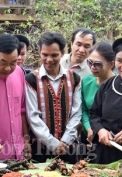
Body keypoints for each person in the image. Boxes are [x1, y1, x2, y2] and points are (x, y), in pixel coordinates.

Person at [25, 31, 82, 163]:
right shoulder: (31, 79)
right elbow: (33, 116)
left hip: (69, 147)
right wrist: (52, 143)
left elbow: (76, 112)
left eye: (54, 55)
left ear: (63, 53)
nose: (49, 59)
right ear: (39, 52)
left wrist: (65, 140)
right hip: (40, 148)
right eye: (45, 54)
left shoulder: (74, 78)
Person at [81, 42, 115, 159]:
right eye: (89, 62)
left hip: (110, 139)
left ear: (111, 64)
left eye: (98, 64)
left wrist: (98, 130)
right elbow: (84, 109)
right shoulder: (86, 81)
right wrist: (89, 128)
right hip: (88, 138)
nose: (92, 67)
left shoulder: (118, 85)